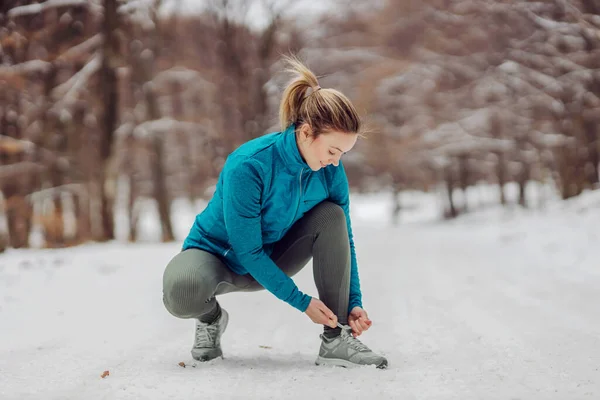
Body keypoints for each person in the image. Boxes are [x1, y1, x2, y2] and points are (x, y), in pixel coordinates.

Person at [162, 55, 387, 369]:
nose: (336, 162)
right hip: (217, 257)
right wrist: (302, 301)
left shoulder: (329, 171)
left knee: (331, 215)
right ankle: (211, 320)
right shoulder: (250, 164)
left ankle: (336, 338)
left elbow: (344, 240)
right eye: (333, 150)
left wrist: (353, 304)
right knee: (181, 291)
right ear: (307, 133)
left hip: (275, 255)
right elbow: (247, 250)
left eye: (343, 154)